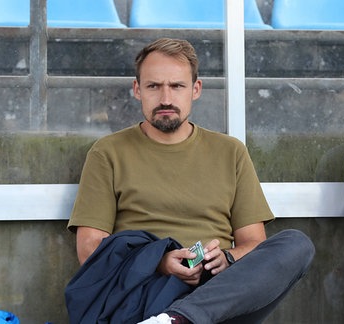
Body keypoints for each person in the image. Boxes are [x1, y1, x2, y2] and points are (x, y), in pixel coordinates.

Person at [65, 38, 315, 324]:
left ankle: (177, 320)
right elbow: (89, 250)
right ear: (137, 90)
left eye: (177, 86)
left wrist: (228, 258)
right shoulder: (108, 152)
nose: (166, 99)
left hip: (218, 293)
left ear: (195, 89)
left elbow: (254, 243)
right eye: (153, 86)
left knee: (297, 244)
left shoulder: (229, 151)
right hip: (145, 293)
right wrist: (158, 262)